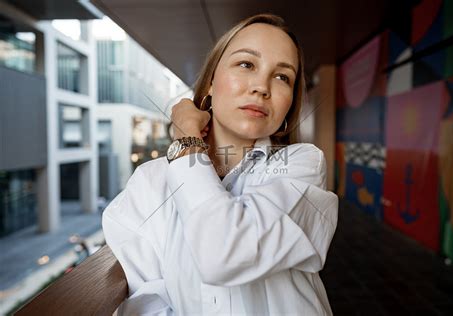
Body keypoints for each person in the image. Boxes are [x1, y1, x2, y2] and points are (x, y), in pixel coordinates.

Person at [103, 13, 338, 315]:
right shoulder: (150, 181)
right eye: (246, 64)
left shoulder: (302, 166)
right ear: (211, 82)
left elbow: (225, 253)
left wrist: (187, 138)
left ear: (290, 102)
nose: (262, 87)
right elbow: (146, 303)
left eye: (282, 77)